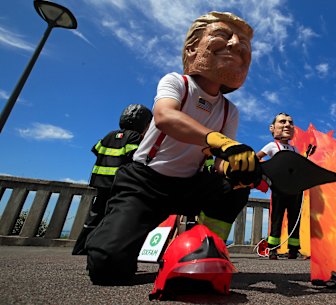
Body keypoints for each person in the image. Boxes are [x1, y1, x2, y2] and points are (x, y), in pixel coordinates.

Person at [85, 11, 260, 285]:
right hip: (145, 181)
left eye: (243, 43)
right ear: (192, 48)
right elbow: (166, 117)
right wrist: (222, 141)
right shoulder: (176, 82)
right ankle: (108, 235)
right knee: (107, 267)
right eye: (224, 36)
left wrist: (237, 168)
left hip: (189, 184)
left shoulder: (230, 111)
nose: (236, 44)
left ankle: (208, 249)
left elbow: (217, 160)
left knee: (233, 189)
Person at [72, 104, 152, 256]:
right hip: (119, 183)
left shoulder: (109, 135)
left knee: (95, 214)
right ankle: (103, 247)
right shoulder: (134, 137)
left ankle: (80, 248)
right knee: (113, 215)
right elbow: (136, 157)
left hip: (100, 182)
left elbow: (96, 149)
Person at [256, 113, 303, 260]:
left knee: (295, 218)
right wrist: (266, 173)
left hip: (295, 189)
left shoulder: (295, 149)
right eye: (282, 121)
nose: (287, 125)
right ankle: (273, 249)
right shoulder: (271, 146)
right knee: (277, 218)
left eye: (290, 122)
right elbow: (256, 159)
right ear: (272, 127)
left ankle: (294, 249)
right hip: (279, 188)